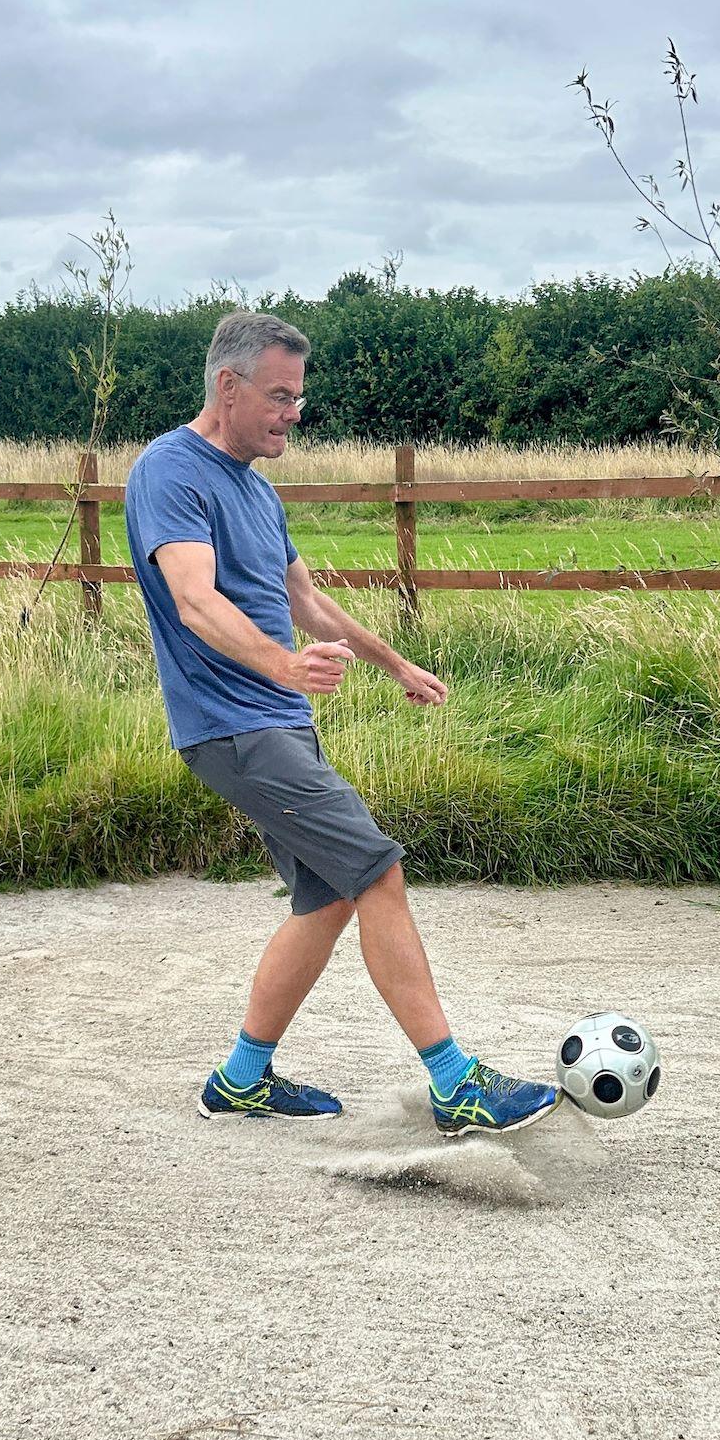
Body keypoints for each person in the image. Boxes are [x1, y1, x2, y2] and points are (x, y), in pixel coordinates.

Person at [124, 309, 558, 1138]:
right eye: (281, 396)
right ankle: (455, 1082)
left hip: (276, 721)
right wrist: (284, 666)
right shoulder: (169, 472)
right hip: (232, 724)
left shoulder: (255, 489)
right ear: (229, 385)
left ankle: (241, 1079)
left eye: (299, 397)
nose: (295, 413)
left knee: (325, 899)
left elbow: (306, 601)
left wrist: (392, 663)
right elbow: (193, 600)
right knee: (376, 872)